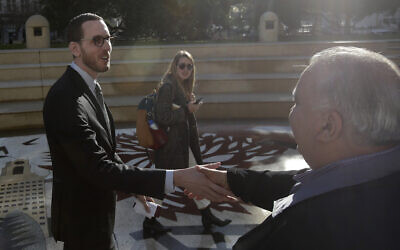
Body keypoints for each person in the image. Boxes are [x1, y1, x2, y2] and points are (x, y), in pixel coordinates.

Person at [42, 13, 233, 250]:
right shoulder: (65, 98)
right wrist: (179, 177)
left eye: (108, 39)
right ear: (75, 48)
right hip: (83, 223)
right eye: (97, 41)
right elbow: (98, 168)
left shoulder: (90, 87)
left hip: (99, 220)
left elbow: (105, 151)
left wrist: (135, 187)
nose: (107, 47)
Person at [194, 46, 400, 249]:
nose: (290, 112)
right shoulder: (378, 181)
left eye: (297, 103)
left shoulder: (300, 232)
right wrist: (231, 180)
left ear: (328, 126)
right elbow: (305, 183)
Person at [142, 50, 231, 235]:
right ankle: (149, 220)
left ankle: (206, 216)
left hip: (180, 146)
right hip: (170, 148)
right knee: (163, 184)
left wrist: (188, 106)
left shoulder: (180, 87)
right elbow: (163, 116)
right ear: (175, 66)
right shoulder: (168, 87)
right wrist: (187, 109)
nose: (186, 69)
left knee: (193, 178)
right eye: (182, 65)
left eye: (189, 66)